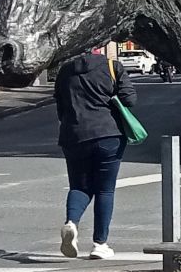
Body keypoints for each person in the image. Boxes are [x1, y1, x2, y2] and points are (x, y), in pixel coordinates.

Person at [54, 39, 135, 260]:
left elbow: (60, 106)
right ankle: (100, 244)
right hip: (108, 134)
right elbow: (130, 99)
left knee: (79, 186)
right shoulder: (112, 67)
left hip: (74, 136)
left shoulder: (65, 71)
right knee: (104, 190)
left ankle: (71, 223)